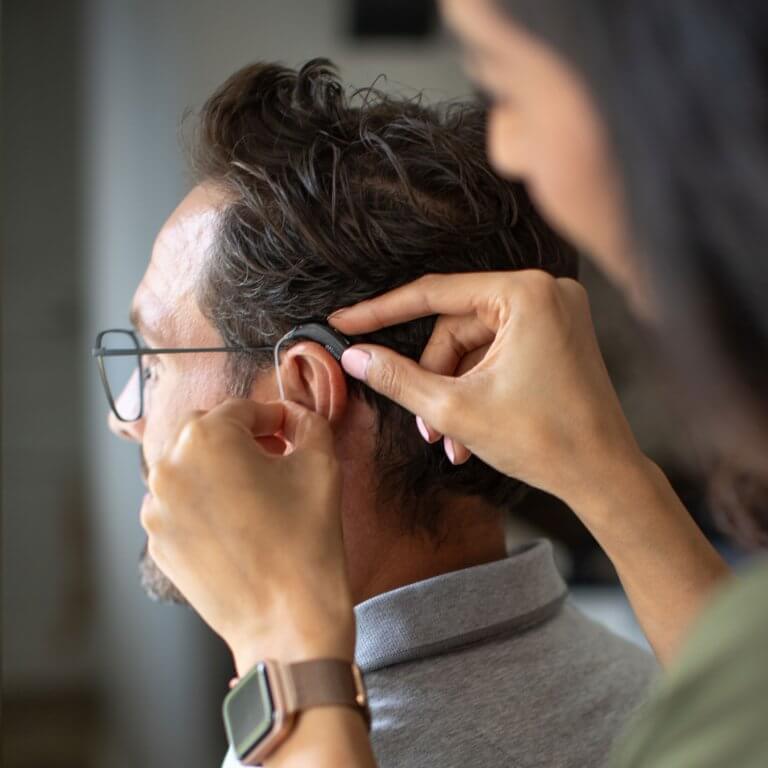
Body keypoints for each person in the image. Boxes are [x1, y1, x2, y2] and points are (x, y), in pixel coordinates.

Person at [140, 2, 768, 768]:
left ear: (296, 395)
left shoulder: (311, 737)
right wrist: (611, 474)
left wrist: (285, 658)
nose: (125, 420)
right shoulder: (660, 688)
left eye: (148, 361)